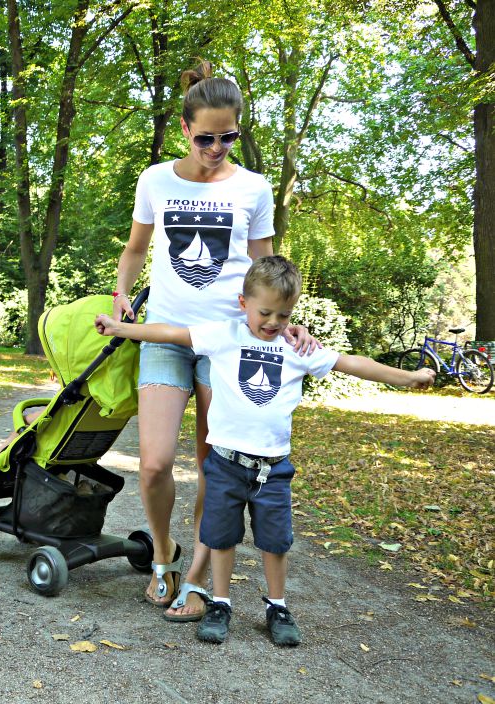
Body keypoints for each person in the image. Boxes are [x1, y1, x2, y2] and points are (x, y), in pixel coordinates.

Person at [97, 255, 435, 645]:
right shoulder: (225, 334)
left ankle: (277, 605)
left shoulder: (297, 348)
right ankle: (219, 601)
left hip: (272, 468)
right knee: (222, 536)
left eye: (284, 315)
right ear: (243, 303)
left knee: (275, 540)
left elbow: (351, 363)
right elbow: (173, 334)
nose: (274, 322)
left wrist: (408, 378)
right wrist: (121, 327)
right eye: (266, 312)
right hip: (226, 462)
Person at [112, 60, 319, 621]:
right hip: (169, 334)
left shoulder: (253, 186)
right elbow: (135, 248)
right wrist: (121, 293)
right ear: (185, 129)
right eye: (205, 137)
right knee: (154, 463)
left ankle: (200, 580)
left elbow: (266, 265)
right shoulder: (156, 179)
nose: (217, 147)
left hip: (228, 343)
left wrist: (286, 319)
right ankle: (164, 557)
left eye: (228, 137)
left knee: (214, 467)